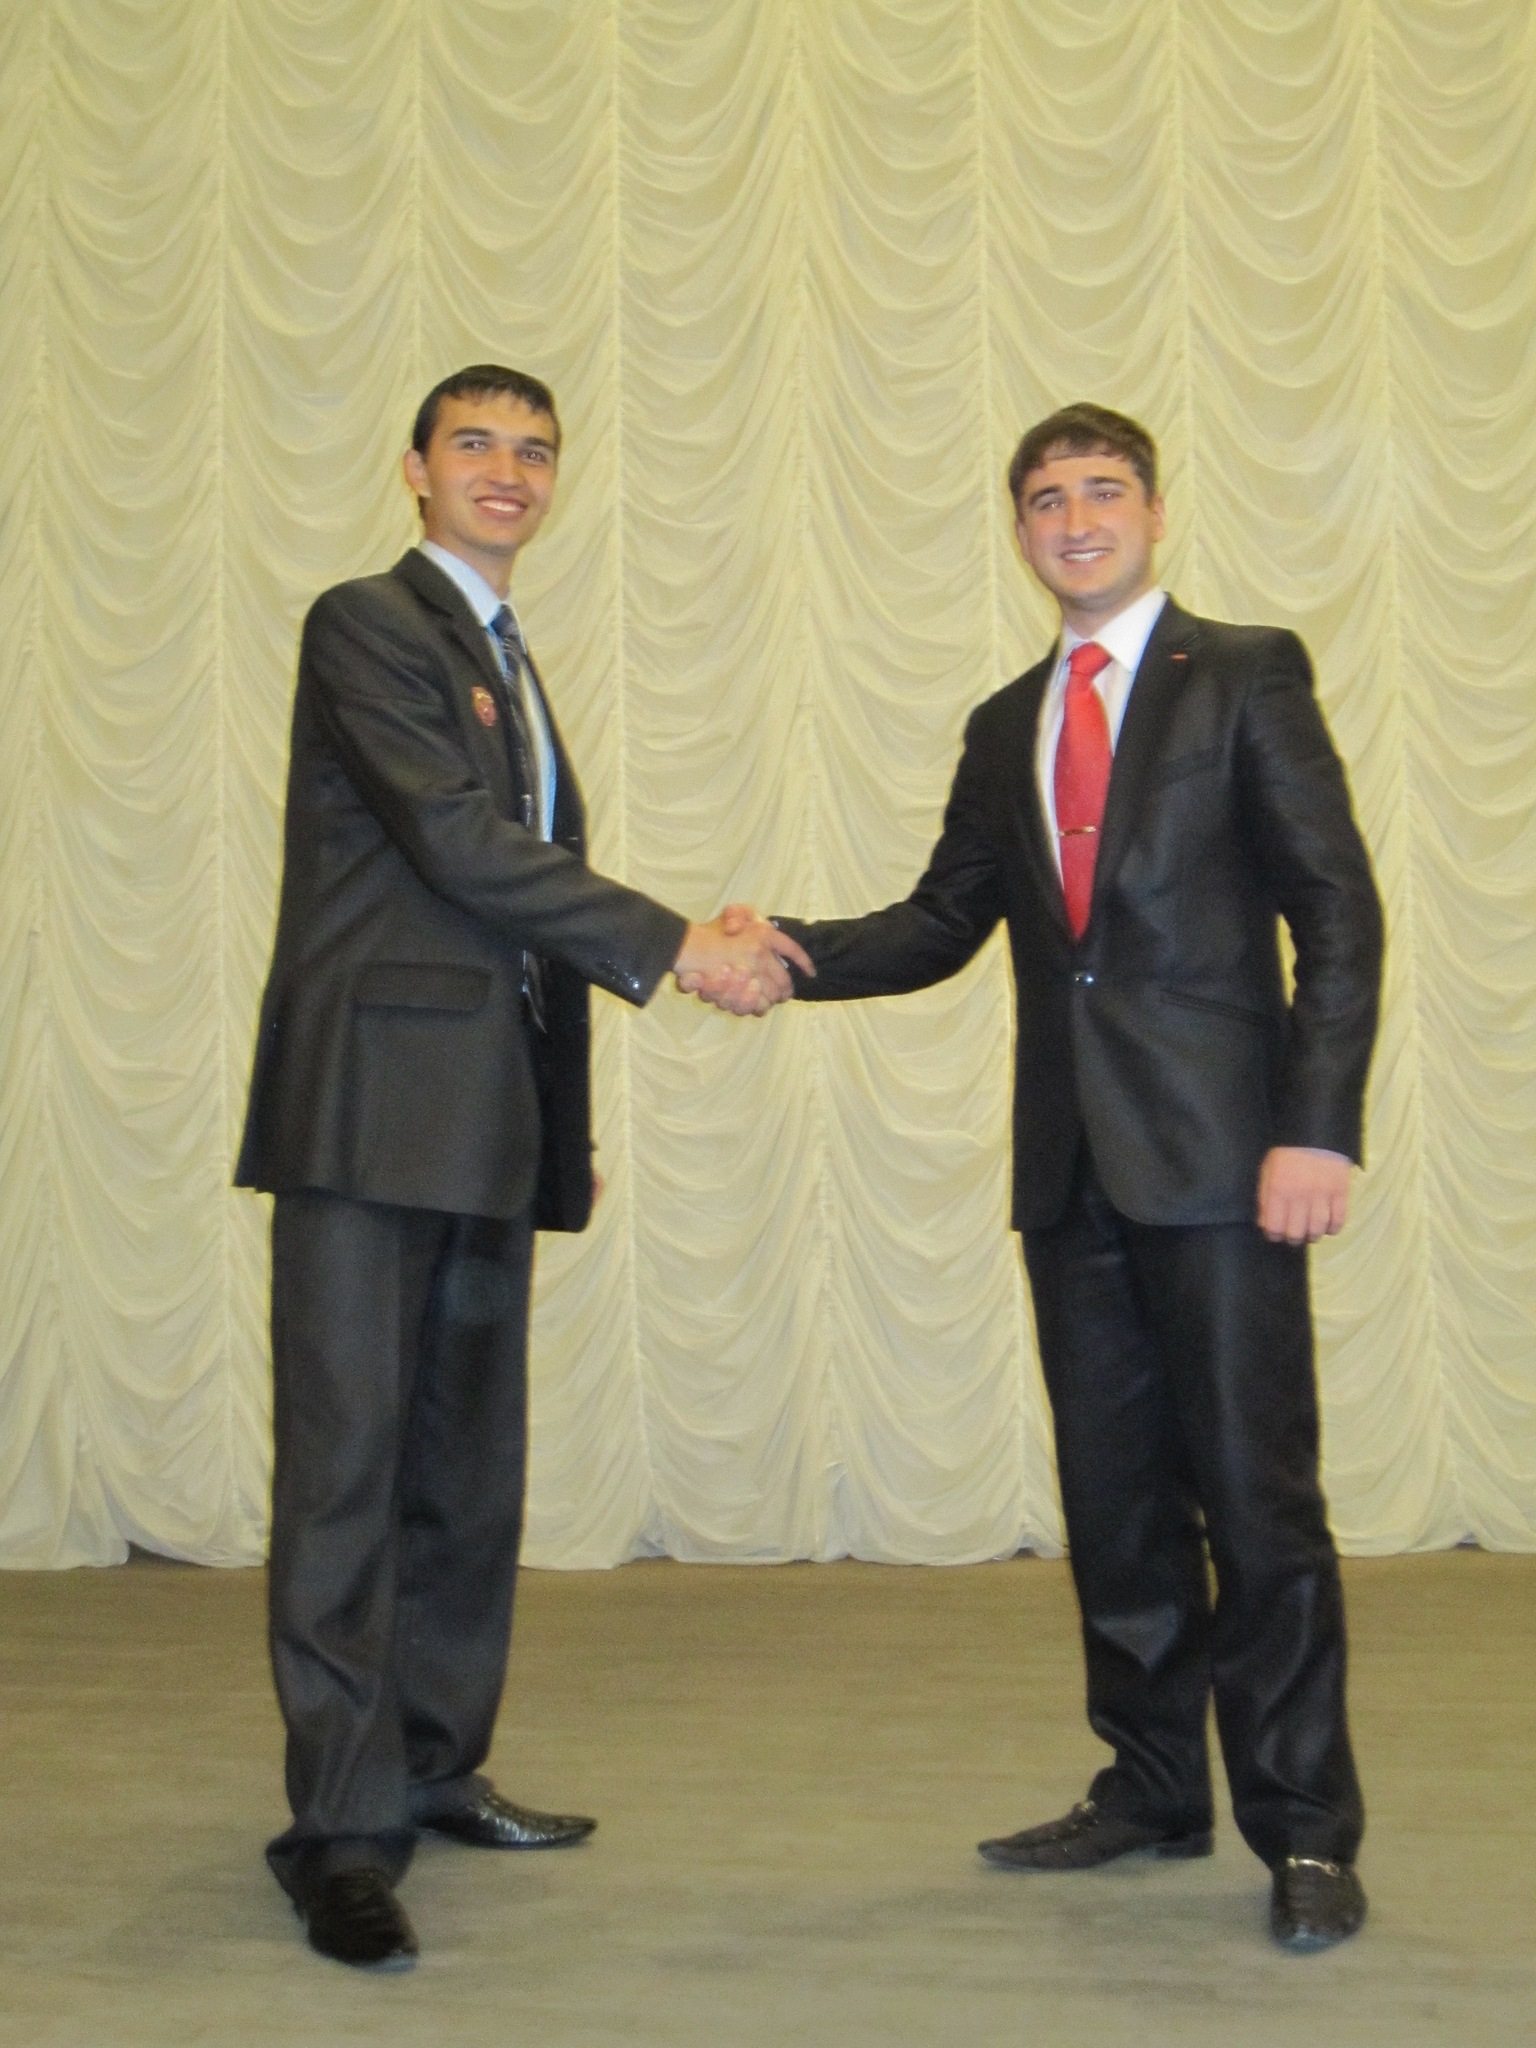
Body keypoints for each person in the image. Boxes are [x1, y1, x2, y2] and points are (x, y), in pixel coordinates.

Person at [703, 402, 1383, 1951]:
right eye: (1046, 499)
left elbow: (1338, 912)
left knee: (1259, 1504)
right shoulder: (1006, 718)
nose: (1076, 518)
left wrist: (1318, 1125)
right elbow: (942, 921)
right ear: (1019, 530)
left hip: (1226, 1163)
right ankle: (1151, 1789)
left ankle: (1306, 1835)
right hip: (1070, 1170)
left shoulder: (1248, 673)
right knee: (1117, 1503)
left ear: (1153, 509)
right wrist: (788, 954)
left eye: (1104, 489)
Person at [235, 363, 809, 1971]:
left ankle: (434, 1767)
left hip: (487, 1128)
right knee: (347, 1483)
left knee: (465, 1480)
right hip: (369, 1117)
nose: (508, 468)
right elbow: (459, 846)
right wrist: (681, 945)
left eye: (536, 450)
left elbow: (520, 915)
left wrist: (565, 1137)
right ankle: (341, 1837)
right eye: (475, 443)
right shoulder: (368, 623)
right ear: (413, 468)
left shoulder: (509, 657)